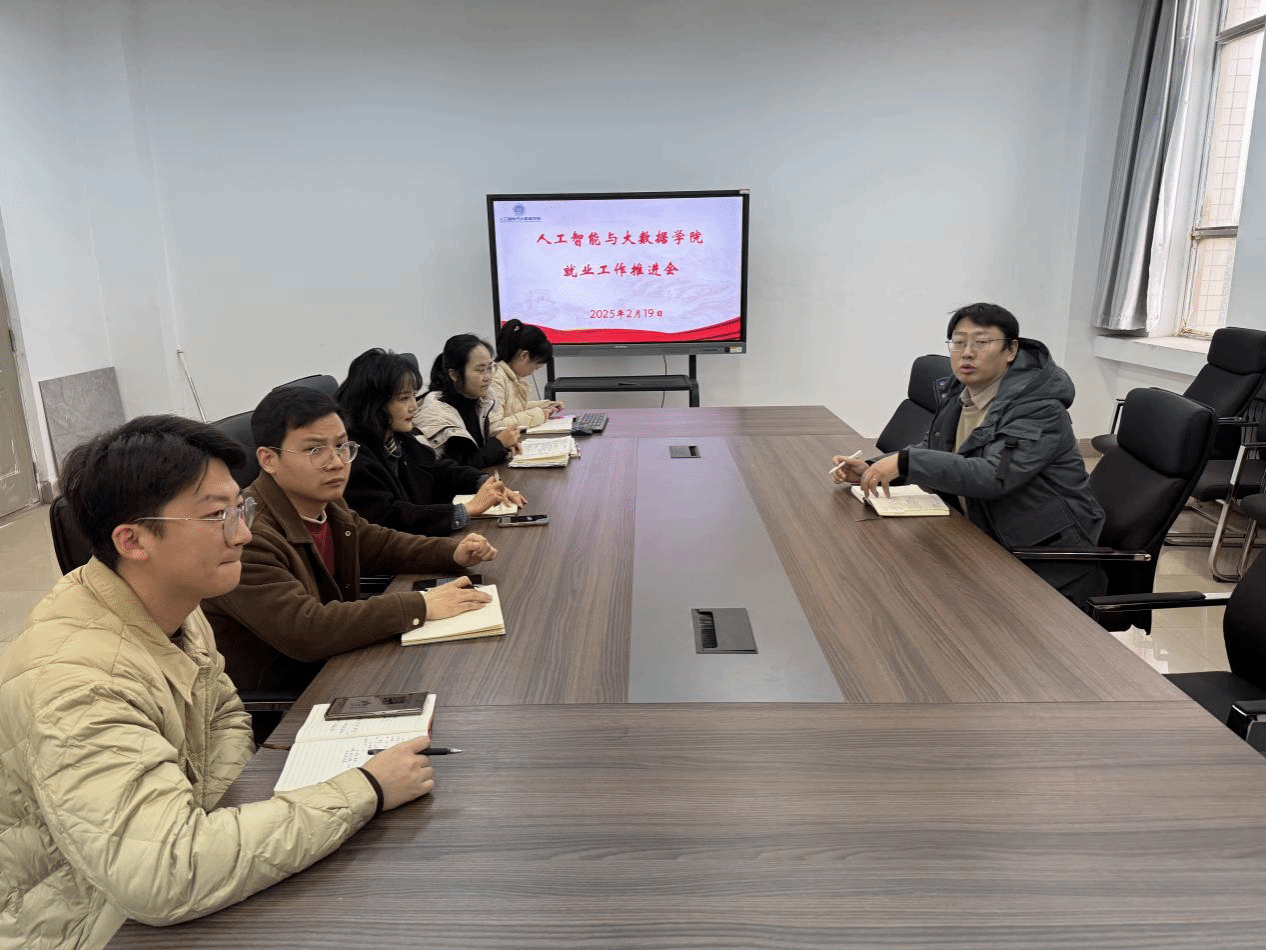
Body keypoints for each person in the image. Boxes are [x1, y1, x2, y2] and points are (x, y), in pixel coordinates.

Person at [0, 415, 437, 949]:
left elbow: (226, 712)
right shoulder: (79, 685)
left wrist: (211, 815)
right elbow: (164, 874)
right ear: (133, 540)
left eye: (240, 508)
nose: (243, 533)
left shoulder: (175, 600)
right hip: (88, 924)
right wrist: (364, 789)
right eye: (216, 516)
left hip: (167, 879)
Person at [202, 386, 496, 696]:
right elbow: (306, 629)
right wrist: (421, 605)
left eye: (342, 446)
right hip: (290, 696)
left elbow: (379, 544)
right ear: (268, 459)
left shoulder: (323, 500)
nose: (336, 462)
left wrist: (453, 552)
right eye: (315, 450)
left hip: (341, 664)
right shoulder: (247, 536)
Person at [832, 302, 1106, 605]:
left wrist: (905, 462)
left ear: (1011, 350)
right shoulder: (959, 393)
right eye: (959, 342)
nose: (967, 353)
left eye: (981, 342)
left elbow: (994, 475)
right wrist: (874, 467)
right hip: (980, 535)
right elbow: (935, 448)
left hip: (1043, 559)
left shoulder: (1039, 408)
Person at [336, 347, 526, 535]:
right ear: (374, 403)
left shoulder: (396, 438)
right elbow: (391, 518)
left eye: (413, 395)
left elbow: (436, 470)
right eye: (404, 398)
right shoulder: (354, 457)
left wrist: (482, 481)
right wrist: (467, 510)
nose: (414, 407)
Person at [414, 334, 521, 468]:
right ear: (454, 375)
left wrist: (503, 446)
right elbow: (458, 467)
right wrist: (499, 443)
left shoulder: (478, 400)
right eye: (480, 370)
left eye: (489, 368)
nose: (487, 377)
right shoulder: (438, 412)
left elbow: (477, 450)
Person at [489, 319, 565, 431]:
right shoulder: (496, 378)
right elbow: (494, 426)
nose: (536, 369)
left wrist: (545, 405)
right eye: (538, 363)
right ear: (524, 355)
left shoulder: (509, 376)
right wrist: (539, 415)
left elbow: (515, 408)